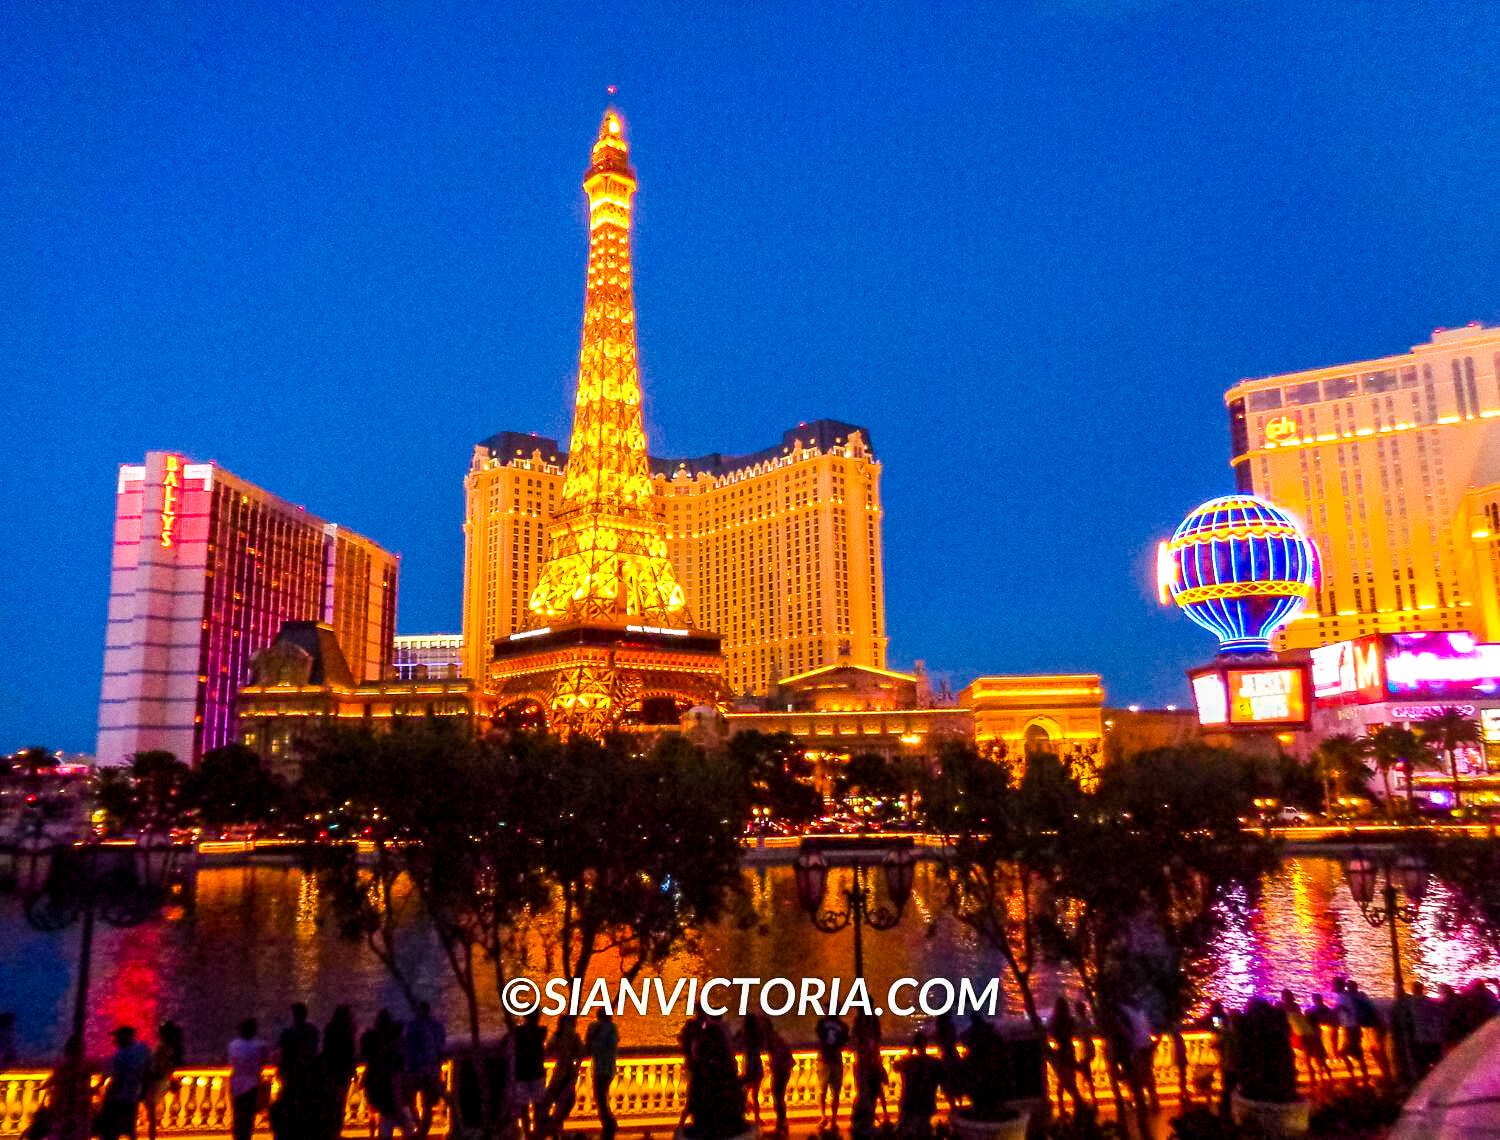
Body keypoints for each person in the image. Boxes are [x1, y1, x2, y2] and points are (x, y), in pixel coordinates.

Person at [361, 1009, 412, 1140]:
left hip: (382, 1095)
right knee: (406, 1126)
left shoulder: (374, 1050)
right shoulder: (396, 1052)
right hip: (393, 1098)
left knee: (384, 1124)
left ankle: (372, 1134)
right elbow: (396, 1081)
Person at [274, 1003, 320, 1140]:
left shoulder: (288, 1032)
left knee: (290, 1106)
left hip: (291, 1075)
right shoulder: (312, 1031)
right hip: (308, 1075)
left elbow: (280, 1049)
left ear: (294, 1015)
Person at [98, 1026, 153, 1140]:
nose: (114, 1040)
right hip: (134, 1095)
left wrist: (109, 1094)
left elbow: (118, 1079)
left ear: (124, 1037)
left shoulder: (121, 1055)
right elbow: (148, 1070)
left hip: (119, 1097)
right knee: (130, 1127)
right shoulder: (143, 1049)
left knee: (111, 1128)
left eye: (117, 1037)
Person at [403, 1002, 446, 1139]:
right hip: (431, 1069)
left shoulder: (412, 1025)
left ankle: (418, 1126)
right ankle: (422, 1130)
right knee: (427, 1104)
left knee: (411, 1101)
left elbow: (408, 1047)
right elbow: (440, 1045)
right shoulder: (437, 1026)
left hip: (416, 1070)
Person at [894, 1032, 944, 1140]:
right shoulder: (934, 1062)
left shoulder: (908, 1062)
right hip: (926, 1103)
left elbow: (896, 1066)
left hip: (909, 1103)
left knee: (909, 1132)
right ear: (926, 1044)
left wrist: (908, 1053)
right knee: (924, 1130)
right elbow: (942, 1079)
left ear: (915, 1045)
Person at [319, 1007, 358, 1140]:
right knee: (340, 1103)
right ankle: (335, 1131)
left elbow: (325, 1049)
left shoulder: (331, 1030)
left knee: (331, 1102)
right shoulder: (348, 1031)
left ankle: (330, 1131)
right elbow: (351, 1053)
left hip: (332, 1070)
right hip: (343, 1071)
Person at [228, 1019, 270, 1140]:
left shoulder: (233, 1045)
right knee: (248, 1117)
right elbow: (264, 1061)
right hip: (252, 1084)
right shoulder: (260, 1046)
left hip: (237, 1085)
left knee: (238, 1115)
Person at [44, 1035, 93, 1140]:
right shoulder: (85, 1066)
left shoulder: (63, 1065)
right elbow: (84, 1086)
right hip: (79, 1106)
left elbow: (56, 1080)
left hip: (64, 1105)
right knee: (78, 1132)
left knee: (62, 1131)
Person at [508, 1012, 547, 1138]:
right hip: (536, 1073)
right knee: (537, 1105)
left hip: (523, 1074)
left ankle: (528, 1132)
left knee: (524, 1107)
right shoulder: (541, 1032)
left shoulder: (519, 1032)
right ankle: (536, 1131)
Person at [143, 1020, 185, 1140]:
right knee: (151, 1114)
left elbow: (156, 1066)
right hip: (163, 1081)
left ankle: (152, 1137)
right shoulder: (171, 1047)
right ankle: (152, 1136)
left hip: (155, 1082)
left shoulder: (162, 1047)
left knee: (150, 1114)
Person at [585, 1010, 620, 1140]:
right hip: (607, 1067)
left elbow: (589, 1045)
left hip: (601, 1067)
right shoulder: (611, 1028)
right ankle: (608, 1121)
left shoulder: (595, 1027)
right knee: (601, 1096)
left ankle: (608, 1122)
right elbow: (613, 1044)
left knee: (600, 1096)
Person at [1281, 990, 1327, 1087]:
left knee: (1307, 1056)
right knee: (1310, 1057)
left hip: (1297, 1033)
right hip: (1302, 1033)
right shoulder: (1295, 1006)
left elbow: (1290, 1019)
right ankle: (1317, 1078)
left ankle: (1313, 1078)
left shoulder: (1284, 1007)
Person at [1047, 997, 1084, 1115]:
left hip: (1061, 1053)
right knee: (1068, 1081)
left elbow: (1050, 1033)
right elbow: (1075, 1031)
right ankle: (1078, 1104)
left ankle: (1066, 1106)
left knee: (1063, 1081)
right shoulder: (1070, 1021)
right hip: (1069, 1051)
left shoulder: (1054, 1022)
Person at [814, 1012, 850, 1127]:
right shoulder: (843, 1026)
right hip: (835, 1059)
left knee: (822, 1091)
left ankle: (824, 1117)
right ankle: (833, 1119)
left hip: (824, 1059)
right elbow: (846, 1040)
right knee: (835, 1092)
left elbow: (819, 1037)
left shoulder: (822, 1023)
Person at [765, 1021, 795, 1136]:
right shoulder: (774, 1038)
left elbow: (779, 1054)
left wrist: (774, 1065)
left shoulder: (772, 1039)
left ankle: (780, 1126)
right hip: (782, 1070)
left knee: (778, 1098)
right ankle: (782, 1125)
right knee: (779, 1098)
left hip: (781, 1070)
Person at [1408, 982, 1444, 1077]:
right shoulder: (1430, 1002)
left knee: (1422, 1065)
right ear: (1422, 989)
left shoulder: (1410, 1004)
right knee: (1437, 1064)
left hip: (1420, 1038)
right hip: (1433, 1037)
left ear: (1413, 990)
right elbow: (1437, 1017)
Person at [736, 1014, 765, 1127]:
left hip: (749, 1067)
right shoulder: (757, 1036)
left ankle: (745, 1115)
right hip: (757, 1067)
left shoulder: (745, 1035)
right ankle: (757, 1117)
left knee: (742, 1094)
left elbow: (735, 1041)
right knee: (754, 1095)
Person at [1074, 1000, 1098, 1105]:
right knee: (1086, 1074)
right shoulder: (1087, 1021)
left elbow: (1077, 1034)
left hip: (1083, 1050)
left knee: (1084, 1075)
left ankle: (1087, 1097)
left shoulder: (1078, 1022)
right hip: (1089, 1048)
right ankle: (1091, 1096)